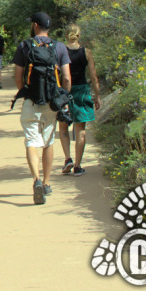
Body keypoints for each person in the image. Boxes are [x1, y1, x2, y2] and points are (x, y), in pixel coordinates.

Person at [12, 12, 71, 205]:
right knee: (48, 141)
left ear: (35, 26)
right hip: (52, 102)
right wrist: (63, 99)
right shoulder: (59, 47)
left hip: (31, 101)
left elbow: (18, 76)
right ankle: (46, 183)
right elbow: (67, 78)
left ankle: (36, 180)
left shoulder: (24, 46)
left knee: (31, 141)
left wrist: (26, 93)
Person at [58, 24, 101, 177]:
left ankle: (67, 158)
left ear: (66, 35)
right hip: (82, 91)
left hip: (65, 91)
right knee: (80, 129)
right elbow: (93, 76)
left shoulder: (61, 51)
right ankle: (77, 166)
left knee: (63, 126)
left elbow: (58, 73)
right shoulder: (86, 52)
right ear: (79, 35)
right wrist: (97, 96)